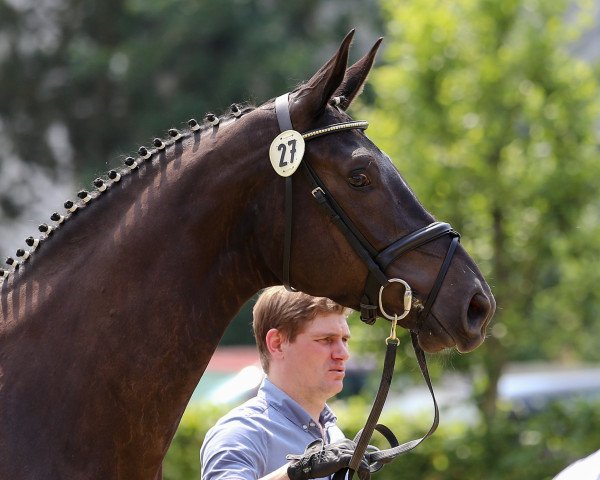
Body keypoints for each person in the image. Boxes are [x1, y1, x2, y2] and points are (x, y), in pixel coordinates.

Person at [200, 286, 370, 480]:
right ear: (277, 343)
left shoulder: (334, 434)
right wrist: (297, 470)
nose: (343, 353)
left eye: (344, 339)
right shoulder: (241, 432)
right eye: (326, 339)